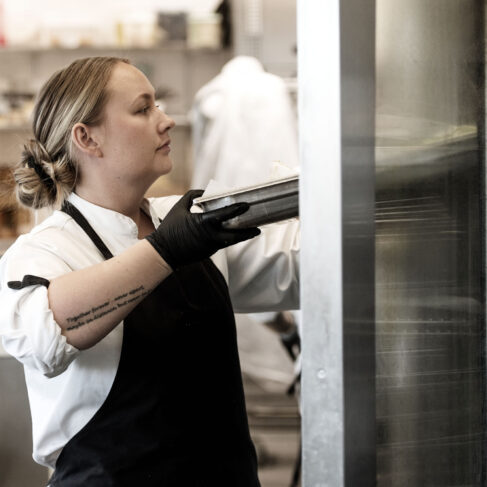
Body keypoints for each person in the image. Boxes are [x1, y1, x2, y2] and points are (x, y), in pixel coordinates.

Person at [0, 57, 299, 486]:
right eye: (143, 109)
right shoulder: (46, 251)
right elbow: (44, 334)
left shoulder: (188, 221)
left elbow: (298, 263)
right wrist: (165, 251)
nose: (166, 120)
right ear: (87, 138)